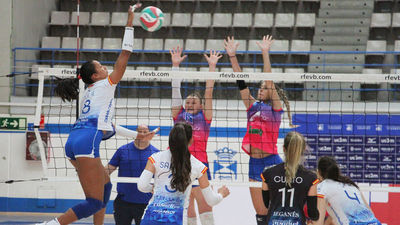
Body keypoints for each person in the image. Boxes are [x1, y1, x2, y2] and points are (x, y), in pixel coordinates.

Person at [36, 4, 157, 225]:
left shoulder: (89, 92)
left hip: (74, 140)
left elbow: (109, 126)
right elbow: (126, 53)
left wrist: (137, 136)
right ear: (96, 75)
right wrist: (130, 21)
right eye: (101, 66)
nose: (106, 68)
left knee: (105, 187)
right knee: (94, 201)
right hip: (86, 140)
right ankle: (51, 224)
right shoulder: (107, 84)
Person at [224, 35, 295, 225]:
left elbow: (269, 80)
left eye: (265, 88)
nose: (261, 90)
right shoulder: (252, 107)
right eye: (260, 88)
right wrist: (232, 57)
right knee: (261, 215)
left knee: (279, 212)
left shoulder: (276, 110)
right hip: (254, 164)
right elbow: (240, 82)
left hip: (272, 162)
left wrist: (265, 53)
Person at [138, 122, 230, 225]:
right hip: (176, 220)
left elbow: (142, 186)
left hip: (151, 219)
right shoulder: (198, 166)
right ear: (191, 140)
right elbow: (211, 200)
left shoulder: (155, 158)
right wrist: (222, 193)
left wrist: (152, 188)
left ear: (170, 139)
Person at [170, 47, 222, 225]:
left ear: (201, 106)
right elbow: (175, 90)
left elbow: (209, 92)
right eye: (188, 102)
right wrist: (175, 66)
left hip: (200, 163)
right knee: (187, 205)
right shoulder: (179, 115)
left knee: (206, 205)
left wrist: (212, 67)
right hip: (179, 162)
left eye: (194, 102)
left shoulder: (204, 118)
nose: (190, 104)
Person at [104, 124, 159, 225]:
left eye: (145, 132)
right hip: (123, 202)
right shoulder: (123, 150)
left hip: (146, 203)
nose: (142, 134)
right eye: (140, 132)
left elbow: (161, 178)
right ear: (135, 134)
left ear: (149, 134)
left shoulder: (156, 154)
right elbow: (108, 170)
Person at [261, 131, 319, 225]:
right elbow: (312, 214)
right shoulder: (310, 178)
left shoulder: (268, 174)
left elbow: (266, 204)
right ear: (303, 149)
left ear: (284, 149)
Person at [314, 156, 382, 225]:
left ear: (318, 172)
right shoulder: (351, 185)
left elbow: (318, 222)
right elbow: (371, 213)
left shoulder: (323, 187)